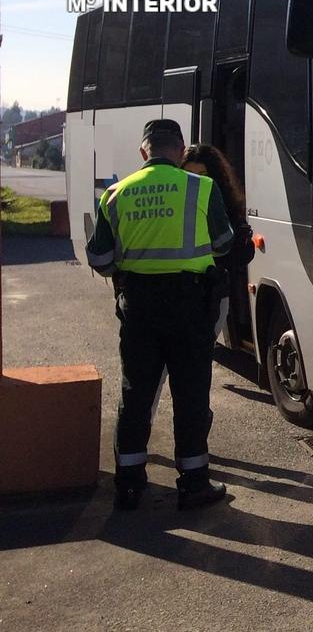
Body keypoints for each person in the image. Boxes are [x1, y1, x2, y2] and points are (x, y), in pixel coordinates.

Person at [85, 119, 234, 511]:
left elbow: (99, 259)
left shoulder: (115, 194)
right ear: (181, 151)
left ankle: (129, 484)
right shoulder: (202, 187)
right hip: (190, 307)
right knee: (190, 396)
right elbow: (224, 243)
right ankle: (194, 484)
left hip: (139, 308)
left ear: (143, 153)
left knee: (136, 394)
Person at [181, 144, 254, 340]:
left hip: (211, 295)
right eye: (189, 176)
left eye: (203, 175)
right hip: (177, 295)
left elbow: (242, 253)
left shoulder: (226, 207)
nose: (196, 181)